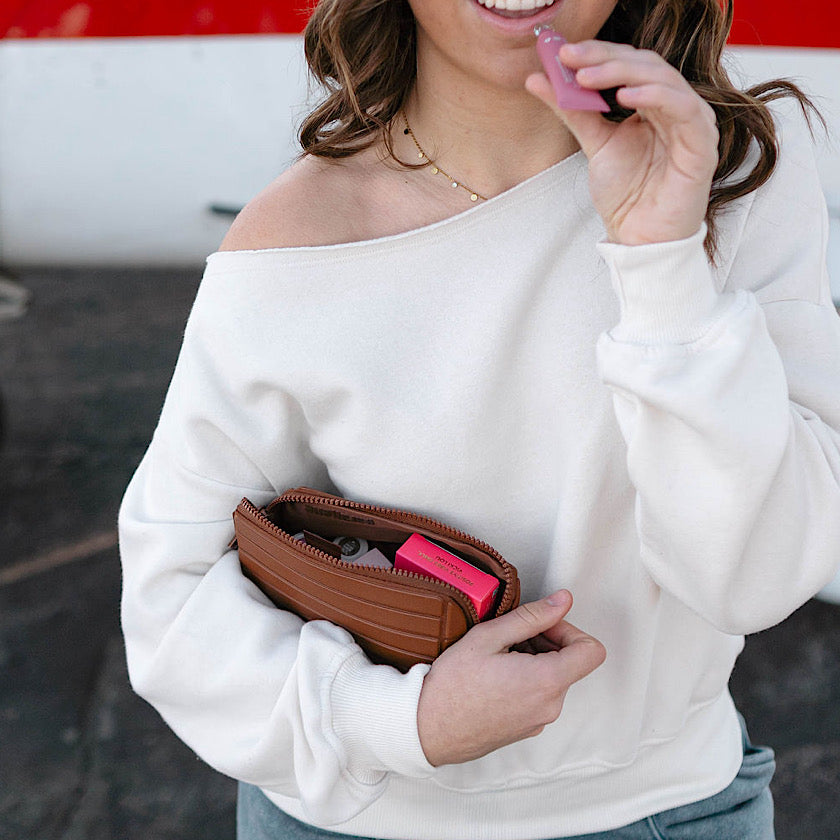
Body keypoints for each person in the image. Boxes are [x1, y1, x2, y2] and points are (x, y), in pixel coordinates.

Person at [118, 0, 840, 838]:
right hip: (350, 821)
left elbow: (756, 578)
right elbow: (170, 600)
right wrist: (398, 719)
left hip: (670, 810)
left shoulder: (729, 176)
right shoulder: (295, 239)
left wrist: (664, 264)